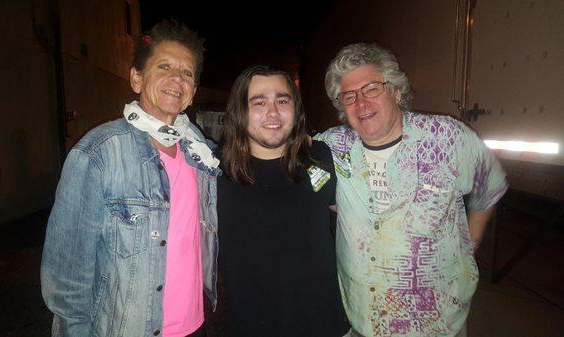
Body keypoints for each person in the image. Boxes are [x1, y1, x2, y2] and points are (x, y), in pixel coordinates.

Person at [40, 20, 220, 337]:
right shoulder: (98, 154)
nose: (176, 79)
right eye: (164, 66)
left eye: (187, 73)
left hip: (195, 327)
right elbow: (67, 278)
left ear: (192, 93)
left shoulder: (201, 155)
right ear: (136, 78)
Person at [314, 43, 508, 337]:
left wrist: (472, 241)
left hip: (435, 323)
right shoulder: (331, 146)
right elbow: (299, 176)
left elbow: (490, 185)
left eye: (371, 89)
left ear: (396, 91)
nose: (361, 103)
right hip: (363, 320)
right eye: (349, 96)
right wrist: (334, 201)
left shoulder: (447, 138)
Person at [217, 65, 350, 337]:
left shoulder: (321, 157)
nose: (273, 113)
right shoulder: (214, 171)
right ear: (239, 111)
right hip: (250, 328)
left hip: (325, 326)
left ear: (296, 108)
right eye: (259, 101)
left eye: (282, 100)